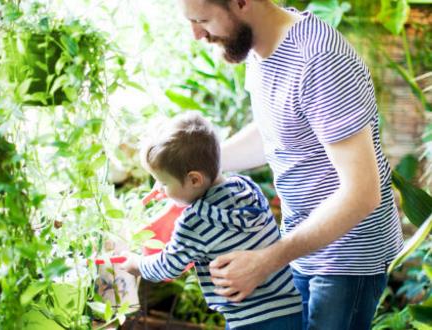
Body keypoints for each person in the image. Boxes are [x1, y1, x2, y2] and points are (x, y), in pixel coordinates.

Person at [175, 1, 404, 329]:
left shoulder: (319, 59)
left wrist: (267, 260)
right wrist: (189, 171)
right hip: (303, 243)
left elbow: (362, 194)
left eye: (203, 20)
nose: (197, 34)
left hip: (346, 258)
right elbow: (278, 131)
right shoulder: (260, 47)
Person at [122, 111, 302, 329]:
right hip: (292, 309)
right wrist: (174, 190)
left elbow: (167, 267)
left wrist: (134, 263)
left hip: (250, 320)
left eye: (163, 183)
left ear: (194, 179)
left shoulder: (195, 222)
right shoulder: (246, 187)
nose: (159, 188)